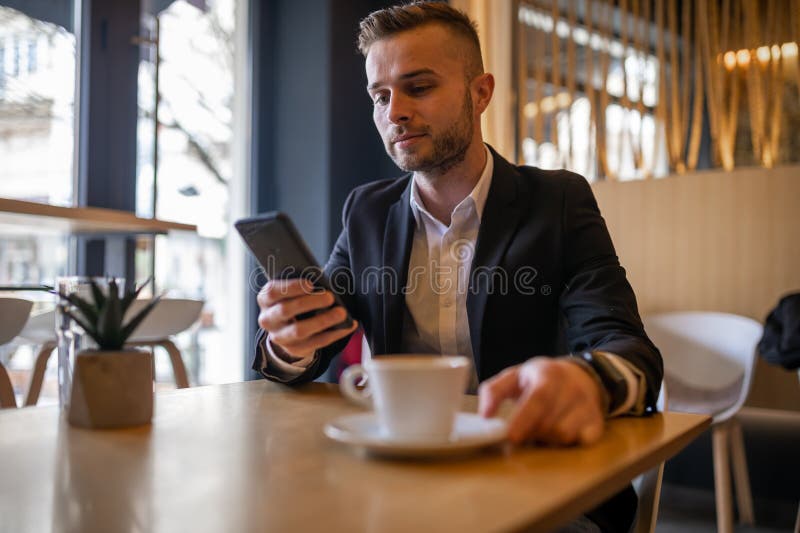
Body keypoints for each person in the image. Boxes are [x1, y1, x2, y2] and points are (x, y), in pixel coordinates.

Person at [254, 3, 662, 532]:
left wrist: (585, 380)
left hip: (535, 479)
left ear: (480, 93)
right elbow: (317, 342)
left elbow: (631, 354)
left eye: (418, 87)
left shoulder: (557, 202)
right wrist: (290, 341)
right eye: (380, 96)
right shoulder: (367, 211)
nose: (394, 111)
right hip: (402, 476)